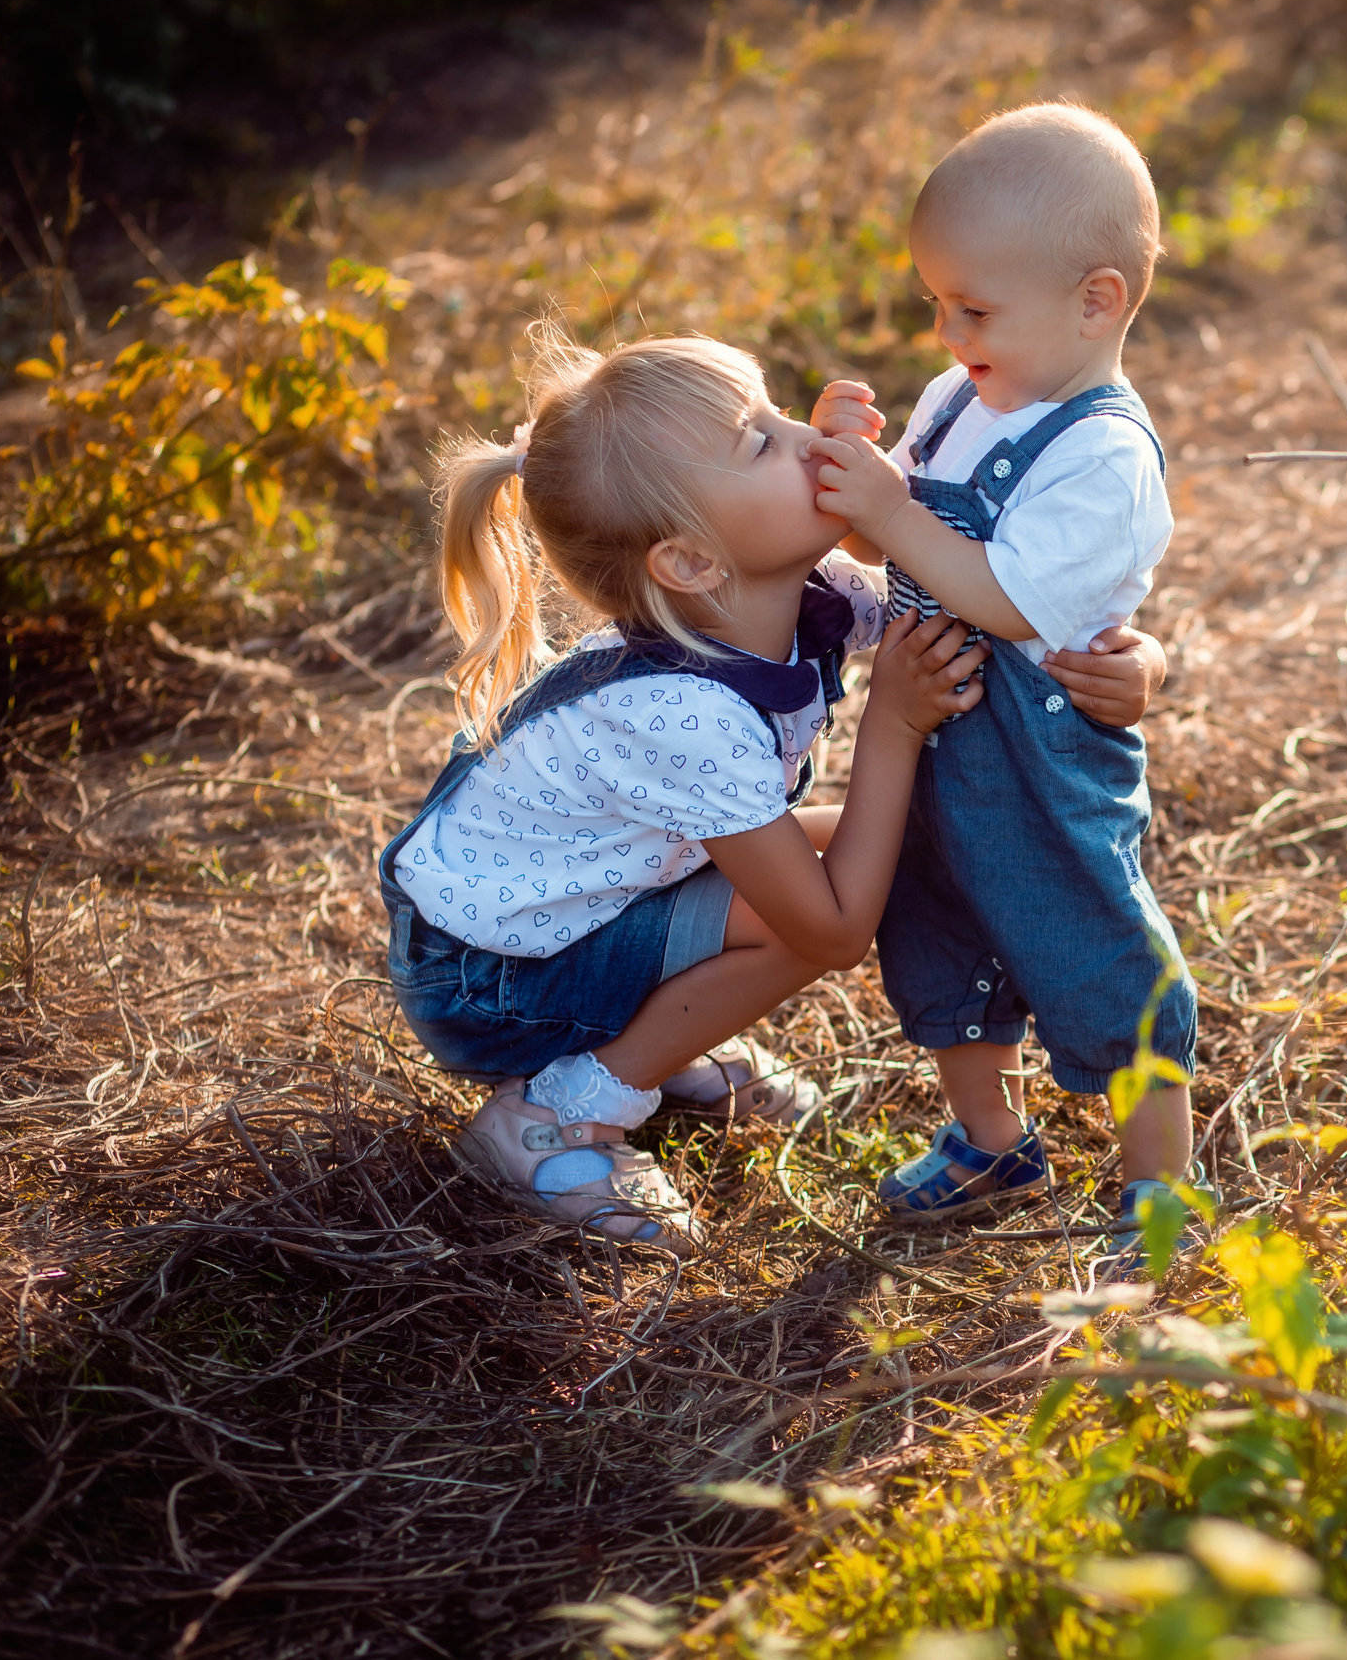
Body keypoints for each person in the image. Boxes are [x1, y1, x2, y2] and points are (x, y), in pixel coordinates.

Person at [381, 326, 1165, 1252]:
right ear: (691, 561)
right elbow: (830, 932)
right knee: (828, 902)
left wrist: (1137, 659)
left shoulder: (812, 591)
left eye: (775, 411)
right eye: (761, 441)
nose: (805, 435)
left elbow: (976, 612)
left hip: (578, 907)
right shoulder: (681, 712)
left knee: (892, 841)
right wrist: (892, 723)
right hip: (489, 978)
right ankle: (559, 1111)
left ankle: (653, 1047)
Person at [809, 100, 1199, 1265]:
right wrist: (855, 478)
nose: (946, 328)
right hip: (933, 740)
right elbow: (900, 547)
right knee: (935, 941)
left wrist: (891, 514)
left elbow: (1011, 600)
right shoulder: (957, 397)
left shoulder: (1103, 455)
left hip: (1038, 757)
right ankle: (992, 1136)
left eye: (973, 308)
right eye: (940, 300)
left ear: (1096, 301)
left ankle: (1157, 1188)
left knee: (1093, 948)